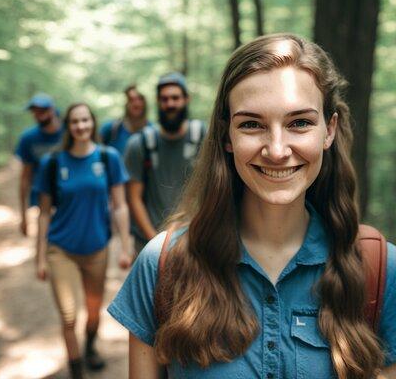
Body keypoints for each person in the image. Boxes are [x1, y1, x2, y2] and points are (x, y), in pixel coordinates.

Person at [108, 34, 396, 379]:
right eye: (251, 124)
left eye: (299, 123)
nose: (276, 150)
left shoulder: (380, 270)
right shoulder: (163, 266)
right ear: (227, 135)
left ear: (329, 130)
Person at [35, 103, 134, 379]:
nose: (81, 126)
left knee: (93, 312)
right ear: (68, 126)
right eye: (75, 122)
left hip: (97, 249)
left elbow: (120, 206)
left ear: (92, 123)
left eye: (85, 120)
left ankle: (90, 347)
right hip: (61, 250)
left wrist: (125, 247)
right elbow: (43, 214)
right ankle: (76, 368)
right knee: (69, 316)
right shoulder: (52, 163)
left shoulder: (107, 157)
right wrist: (40, 257)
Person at [125, 72, 206, 252]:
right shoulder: (140, 144)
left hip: (195, 239)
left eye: (175, 98)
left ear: (186, 99)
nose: (170, 104)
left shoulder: (204, 138)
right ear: (158, 102)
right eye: (165, 99)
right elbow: (134, 198)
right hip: (149, 241)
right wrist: (155, 242)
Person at [15, 93, 63, 235]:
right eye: (34, 111)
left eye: (42, 110)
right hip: (43, 197)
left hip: (69, 192)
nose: (38, 114)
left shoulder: (69, 131)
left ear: (52, 109)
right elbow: (25, 177)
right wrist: (24, 216)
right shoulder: (28, 138)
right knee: (47, 237)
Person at [100, 84, 149, 156]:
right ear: (126, 103)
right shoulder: (111, 129)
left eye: (140, 99)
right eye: (131, 99)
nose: (136, 104)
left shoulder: (152, 132)